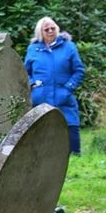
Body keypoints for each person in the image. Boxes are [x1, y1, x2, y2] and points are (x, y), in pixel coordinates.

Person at [24, 16, 86, 154]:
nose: (51, 31)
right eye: (46, 29)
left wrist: (69, 88)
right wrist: (32, 84)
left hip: (63, 95)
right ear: (40, 32)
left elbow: (79, 70)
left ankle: (75, 156)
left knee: (71, 125)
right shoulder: (33, 49)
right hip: (40, 97)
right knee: (41, 128)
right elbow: (25, 72)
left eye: (53, 28)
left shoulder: (69, 47)